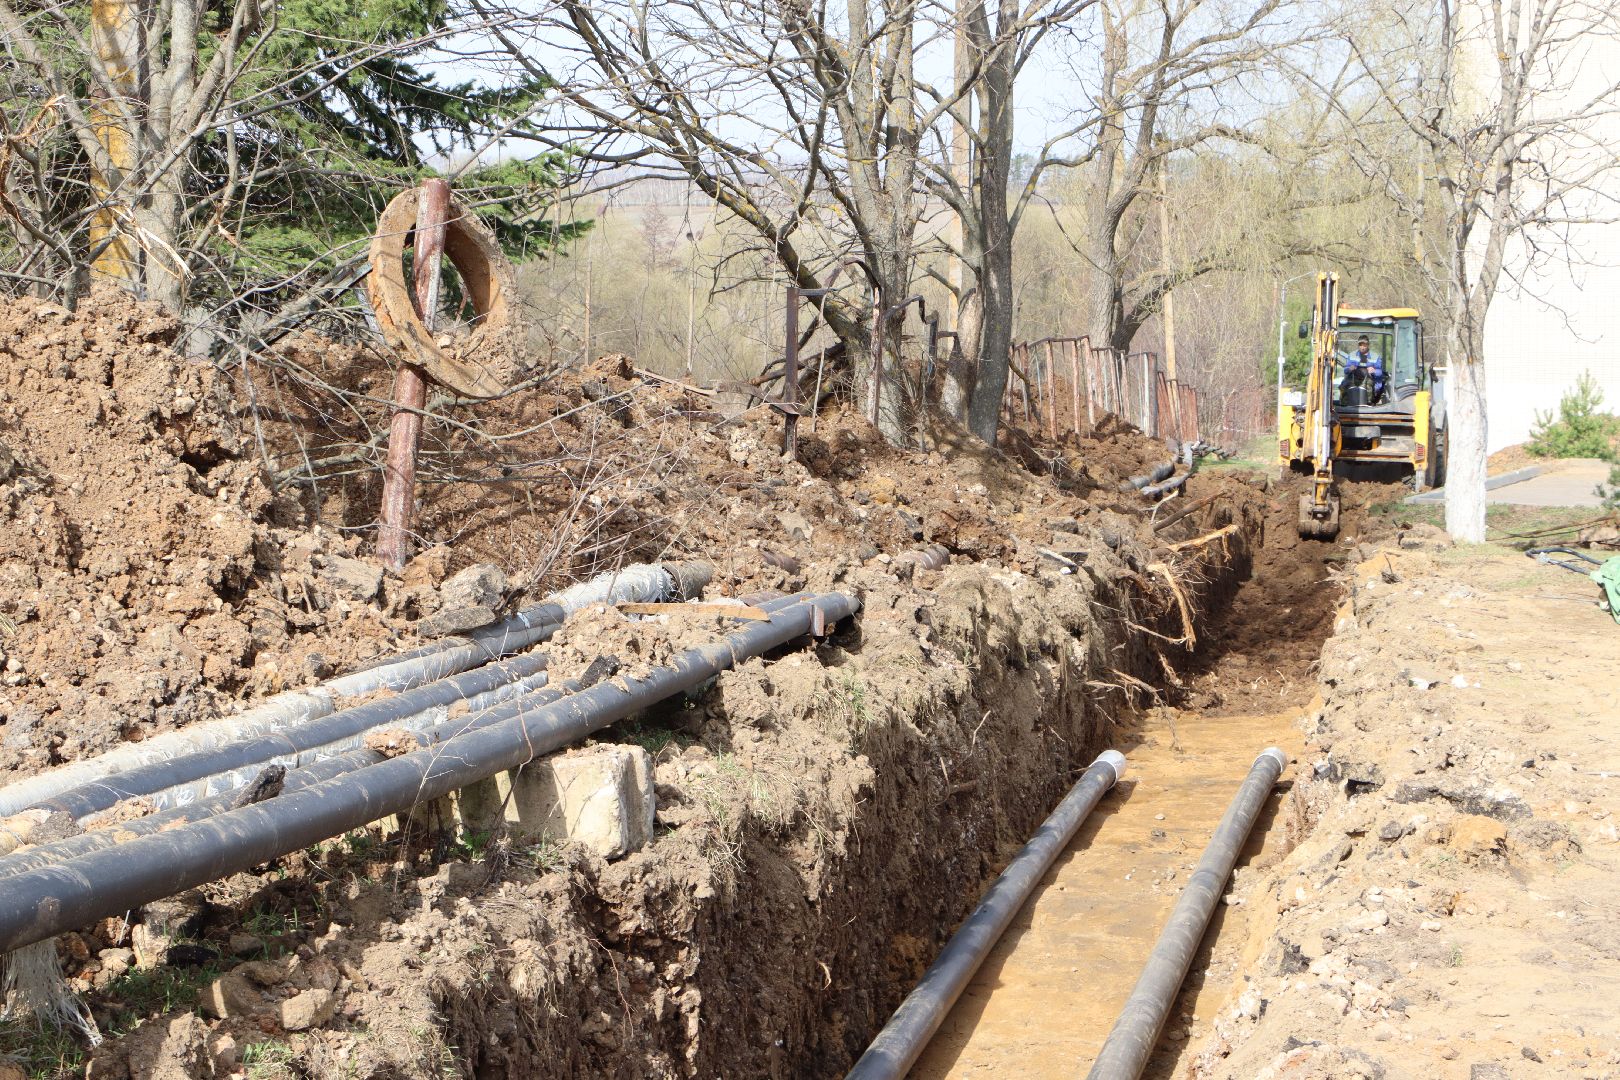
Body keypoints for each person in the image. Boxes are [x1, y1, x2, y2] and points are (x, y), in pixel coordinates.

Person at [1340, 336, 1386, 402]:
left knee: (1368, 387)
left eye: (1364, 345)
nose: (1362, 347)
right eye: (1360, 345)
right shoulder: (1352, 355)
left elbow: (1380, 372)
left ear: (1368, 345)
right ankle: (1344, 404)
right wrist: (1350, 369)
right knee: (1345, 386)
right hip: (1353, 378)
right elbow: (1346, 370)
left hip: (1369, 379)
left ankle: (1368, 403)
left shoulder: (1375, 356)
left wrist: (1374, 371)